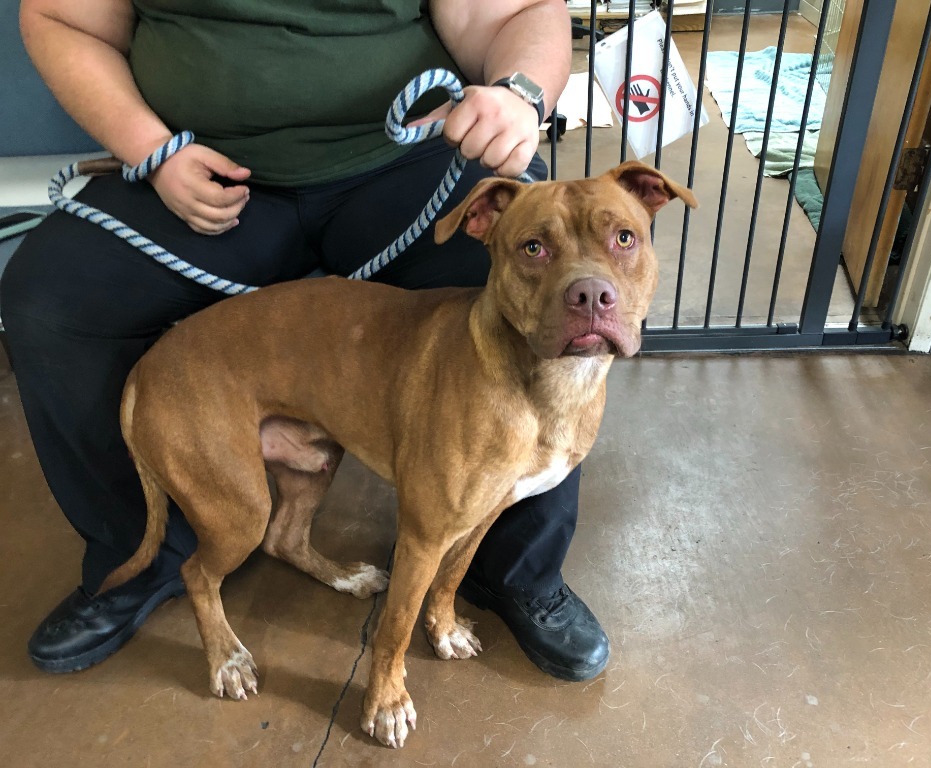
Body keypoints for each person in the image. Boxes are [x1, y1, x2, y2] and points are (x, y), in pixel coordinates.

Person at [2, 0, 610, 683]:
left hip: (401, 161)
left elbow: (516, 11)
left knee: (537, 278)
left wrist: (518, 92)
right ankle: (136, 558)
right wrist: (150, 150)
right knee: (49, 301)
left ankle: (513, 570)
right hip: (198, 170)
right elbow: (61, 20)